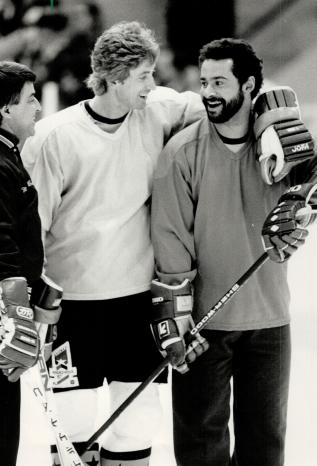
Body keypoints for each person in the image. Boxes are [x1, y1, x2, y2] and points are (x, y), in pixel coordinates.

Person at [21, 20, 208, 466]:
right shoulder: (56, 137)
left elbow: (220, 107)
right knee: (75, 433)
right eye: (145, 74)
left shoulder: (157, 109)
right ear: (116, 76)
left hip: (137, 304)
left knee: (135, 426)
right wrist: (33, 308)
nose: (153, 83)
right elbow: (34, 230)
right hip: (73, 308)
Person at [150, 38, 317, 466]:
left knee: (265, 445)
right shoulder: (183, 153)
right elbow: (171, 238)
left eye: (219, 82)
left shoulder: (283, 144)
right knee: (200, 446)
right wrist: (175, 318)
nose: (208, 91)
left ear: (248, 86)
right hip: (202, 327)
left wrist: (306, 195)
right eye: (204, 81)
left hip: (269, 320)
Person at [0, 61, 42, 466]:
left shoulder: (9, 155)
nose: (39, 108)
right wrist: (17, 325)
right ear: (5, 110)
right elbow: (1, 250)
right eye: (30, 100)